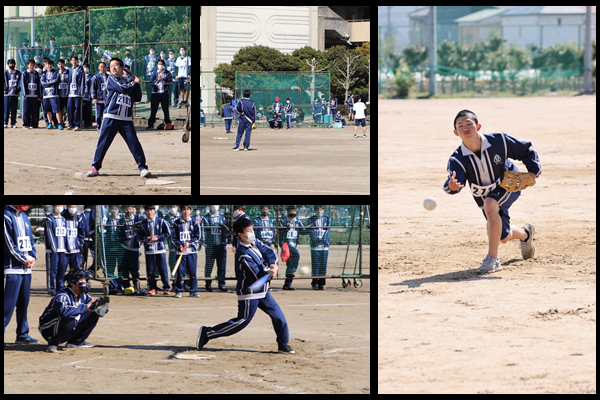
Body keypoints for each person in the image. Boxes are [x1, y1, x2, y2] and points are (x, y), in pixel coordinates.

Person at [443, 109, 540, 273]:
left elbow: (526, 149)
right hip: (486, 197)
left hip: (508, 186)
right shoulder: (457, 159)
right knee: (503, 236)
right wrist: (452, 187)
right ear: (455, 132)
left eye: (469, 124)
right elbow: (454, 180)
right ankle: (525, 234)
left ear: (478, 126)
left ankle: (493, 260)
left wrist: (533, 171)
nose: (465, 128)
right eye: (460, 126)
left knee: (490, 203)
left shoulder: (499, 141)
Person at [196, 217, 295, 354]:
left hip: (263, 290)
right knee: (241, 322)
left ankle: (283, 344)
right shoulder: (243, 255)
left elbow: (268, 251)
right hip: (250, 291)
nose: (251, 233)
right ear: (241, 235)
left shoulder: (251, 241)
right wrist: (271, 273)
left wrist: (272, 263)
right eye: (248, 231)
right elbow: (259, 275)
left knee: (279, 317)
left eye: (252, 229)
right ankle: (208, 333)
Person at [87, 57, 151, 178]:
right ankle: (95, 167)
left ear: (123, 68)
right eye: (111, 66)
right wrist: (134, 83)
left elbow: (136, 97)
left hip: (126, 119)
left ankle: (142, 168)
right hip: (111, 116)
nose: (113, 68)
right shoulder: (111, 79)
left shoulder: (128, 81)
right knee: (103, 143)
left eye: (116, 65)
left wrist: (137, 84)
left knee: (134, 144)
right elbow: (123, 89)